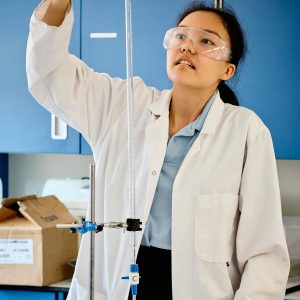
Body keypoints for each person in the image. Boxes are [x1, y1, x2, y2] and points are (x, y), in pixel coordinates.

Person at [26, 0, 290, 299]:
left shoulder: (245, 132)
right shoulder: (123, 107)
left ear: (227, 69)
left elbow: (264, 255)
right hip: (117, 283)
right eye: (181, 36)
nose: (187, 47)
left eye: (206, 41)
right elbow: (48, 73)